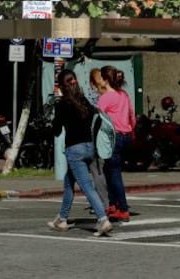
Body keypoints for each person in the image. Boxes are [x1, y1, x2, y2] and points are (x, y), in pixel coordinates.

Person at [48, 69, 113, 236]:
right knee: (69, 184)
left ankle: (102, 219)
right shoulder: (83, 100)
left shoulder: (62, 104)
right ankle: (62, 219)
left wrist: (54, 119)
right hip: (89, 147)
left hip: (74, 150)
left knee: (86, 186)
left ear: (62, 86)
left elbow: (56, 130)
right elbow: (94, 115)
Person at [98, 66, 136, 222]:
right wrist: (131, 130)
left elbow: (98, 117)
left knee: (114, 173)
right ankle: (113, 204)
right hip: (126, 135)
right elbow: (131, 116)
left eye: (101, 78)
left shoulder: (106, 97)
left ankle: (123, 208)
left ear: (106, 80)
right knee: (109, 169)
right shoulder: (124, 95)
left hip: (113, 137)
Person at [86, 68, 110, 211]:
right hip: (108, 135)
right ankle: (110, 201)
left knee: (96, 171)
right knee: (106, 170)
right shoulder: (110, 95)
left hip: (94, 136)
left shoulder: (91, 96)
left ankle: (102, 202)